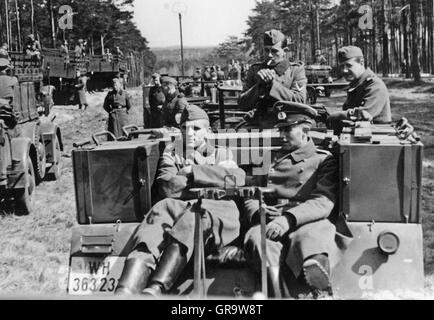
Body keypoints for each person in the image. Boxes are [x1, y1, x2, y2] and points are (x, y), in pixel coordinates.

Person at [115, 104, 245, 296]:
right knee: (157, 217)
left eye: (196, 129)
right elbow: (168, 186)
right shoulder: (173, 152)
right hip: (177, 207)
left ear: (208, 132)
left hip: (217, 211)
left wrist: (193, 172)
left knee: (193, 217)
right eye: (184, 128)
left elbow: (237, 179)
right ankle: (125, 290)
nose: (189, 133)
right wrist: (214, 178)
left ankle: (155, 289)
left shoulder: (222, 153)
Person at [242, 102, 352, 297]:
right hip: (269, 219)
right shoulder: (267, 157)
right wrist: (258, 210)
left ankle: (321, 291)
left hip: (305, 220)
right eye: (280, 130)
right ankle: (278, 294)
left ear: (305, 130)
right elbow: (251, 190)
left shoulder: (323, 160)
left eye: (287, 130)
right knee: (257, 240)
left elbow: (323, 201)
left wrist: (287, 219)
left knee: (310, 239)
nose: (281, 136)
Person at [238, 29, 307, 129]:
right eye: (266, 50)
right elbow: (242, 104)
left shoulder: (295, 70)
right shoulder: (255, 70)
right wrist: (259, 86)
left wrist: (273, 85)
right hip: (258, 124)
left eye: (274, 51)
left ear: (285, 51)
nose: (269, 55)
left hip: (289, 124)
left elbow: (299, 101)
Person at [326, 46, 392, 134]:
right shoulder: (358, 84)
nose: (344, 70)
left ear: (361, 63)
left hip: (378, 138)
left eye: (349, 65)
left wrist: (335, 115)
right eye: (342, 66)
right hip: (361, 134)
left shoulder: (375, 85)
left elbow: (364, 114)